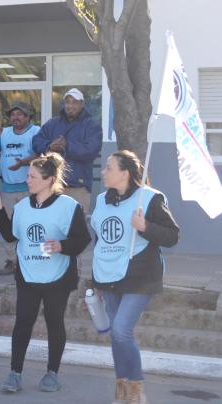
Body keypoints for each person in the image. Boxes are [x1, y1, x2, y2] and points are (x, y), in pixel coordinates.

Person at [0, 153, 91, 394]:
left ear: (48, 180)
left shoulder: (69, 206)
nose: (27, 180)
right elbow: (10, 236)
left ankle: (52, 373)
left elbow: (82, 240)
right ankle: (14, 373)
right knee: (23, 323)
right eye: (27, 176)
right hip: (28, 276)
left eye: (32, 176)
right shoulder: (23, 206)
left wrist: (61, 246)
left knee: (55, 323)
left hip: (58, 278)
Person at [90, 150, 179, 403]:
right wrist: (96, 280)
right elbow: (99, 240)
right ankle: (122, 384)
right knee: (117, 336)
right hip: (108, 276)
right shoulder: (100, 200)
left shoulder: (149, 199)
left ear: (125, 173)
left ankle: (136, 388)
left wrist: (145, 228)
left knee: (120, 330)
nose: (104, 172)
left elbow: (173, 236)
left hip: (140, 276)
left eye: (109, 167)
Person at [32, 88, 102, 213]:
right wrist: (49, 147)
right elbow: (36, 142)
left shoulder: (92, 126)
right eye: (68, 102)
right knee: (53, 227)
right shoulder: (52, 123)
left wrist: (67, 145)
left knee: (77, 228)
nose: (70, 106)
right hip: (52, 187)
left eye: (75, 102)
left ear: (82, 104)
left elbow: (91, 150)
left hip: (78, 188)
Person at [0, 102, 41, 276]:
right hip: (8, 189)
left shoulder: (35, 132)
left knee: (29, 226)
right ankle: (12, 261)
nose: (16, 117)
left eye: (20, 114)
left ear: (28, 117)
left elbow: (42, 153)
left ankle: (30, 260)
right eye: (13, 115)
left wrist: (23, 163)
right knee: (8, 228)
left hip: (29, 188)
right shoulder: (4, 133)